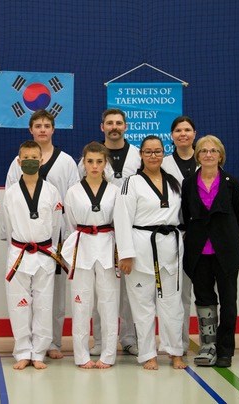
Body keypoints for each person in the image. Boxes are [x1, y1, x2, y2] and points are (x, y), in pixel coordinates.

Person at [5, 109, 80, 359]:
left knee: (53, 296)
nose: (42, 129)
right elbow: (9, 204)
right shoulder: (16, 164)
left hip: (55, 238)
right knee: (25, 298)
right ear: (31, 130)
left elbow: (71, 199)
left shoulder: (67, 161)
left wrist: (68, 237)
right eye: (37, 125)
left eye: (47, 125)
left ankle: (53, 342)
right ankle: (26, 348)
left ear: (53, 129)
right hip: (24, 240)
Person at [113, 135, 186, 370]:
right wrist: (125, 253)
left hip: (170, 248)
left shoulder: (174, 181)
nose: (153, 156)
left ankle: (175, 351)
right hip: (141, 247)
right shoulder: (131, 183)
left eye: (157, 151)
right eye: (148, 152)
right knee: (142, 305)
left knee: (172, 303)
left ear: (163, 154)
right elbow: (122, 218)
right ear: (141, 155)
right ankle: (147, 354)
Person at [77, 108, 140, 357]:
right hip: (99, 231)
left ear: (125, 126)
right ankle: (101, 340)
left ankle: (129, 338)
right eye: (109, 123)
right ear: (102, 126)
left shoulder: (136, 156)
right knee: (99, 290)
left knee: (130, 289)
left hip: (131, 229)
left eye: (119, 123)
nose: (114, 126)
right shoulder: (90, 156)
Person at [181, 135, 239, 368]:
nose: (208, 154)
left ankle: (225, 349)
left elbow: (238, 218)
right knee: (205, 300)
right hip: (199, 253)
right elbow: (186, 215)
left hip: (226, 253)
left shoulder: (231, 183)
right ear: (197, 155)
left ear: (220, 155)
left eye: (213, 151)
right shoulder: (188, 183)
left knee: (229, 302)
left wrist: (223, 238)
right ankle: (208, 346)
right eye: (204, 151)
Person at [3, 140, 64, 370]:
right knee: (18, 305)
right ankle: (22, 352)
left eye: (34, 157)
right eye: (25, 157)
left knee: (44, 304)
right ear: (19, 162)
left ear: (42, 160)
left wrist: (49, 248)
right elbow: (8, 228)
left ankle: (39, 352)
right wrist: (18, 246)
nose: (29, 161)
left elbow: (56, 226)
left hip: (45, 252)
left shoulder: (52, 191)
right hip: (19, 252)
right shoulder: (10, 193)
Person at [62, 142, 120, 369]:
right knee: (80, 305)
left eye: (99, 161)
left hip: (107, 247)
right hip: (82, 247)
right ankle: (81, 355)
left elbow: (120, 223)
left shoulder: (115, 192)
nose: (94, 166)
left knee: (108, 305)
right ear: (83, 163)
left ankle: (108, 355)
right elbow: (70, 224)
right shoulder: (73, 191)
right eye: (90, 161)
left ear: (105, 164)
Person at [161, 115, 197, 354]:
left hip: (203, 234)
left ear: (194, 133)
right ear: (172, 136)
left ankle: (208, 340)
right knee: (178, 293)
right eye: (178, 130)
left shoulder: (207, 158)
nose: (183, 134)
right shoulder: (163, 164)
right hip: (175, 233)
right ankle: (179, 343)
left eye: (187, 130)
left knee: (204, 290)